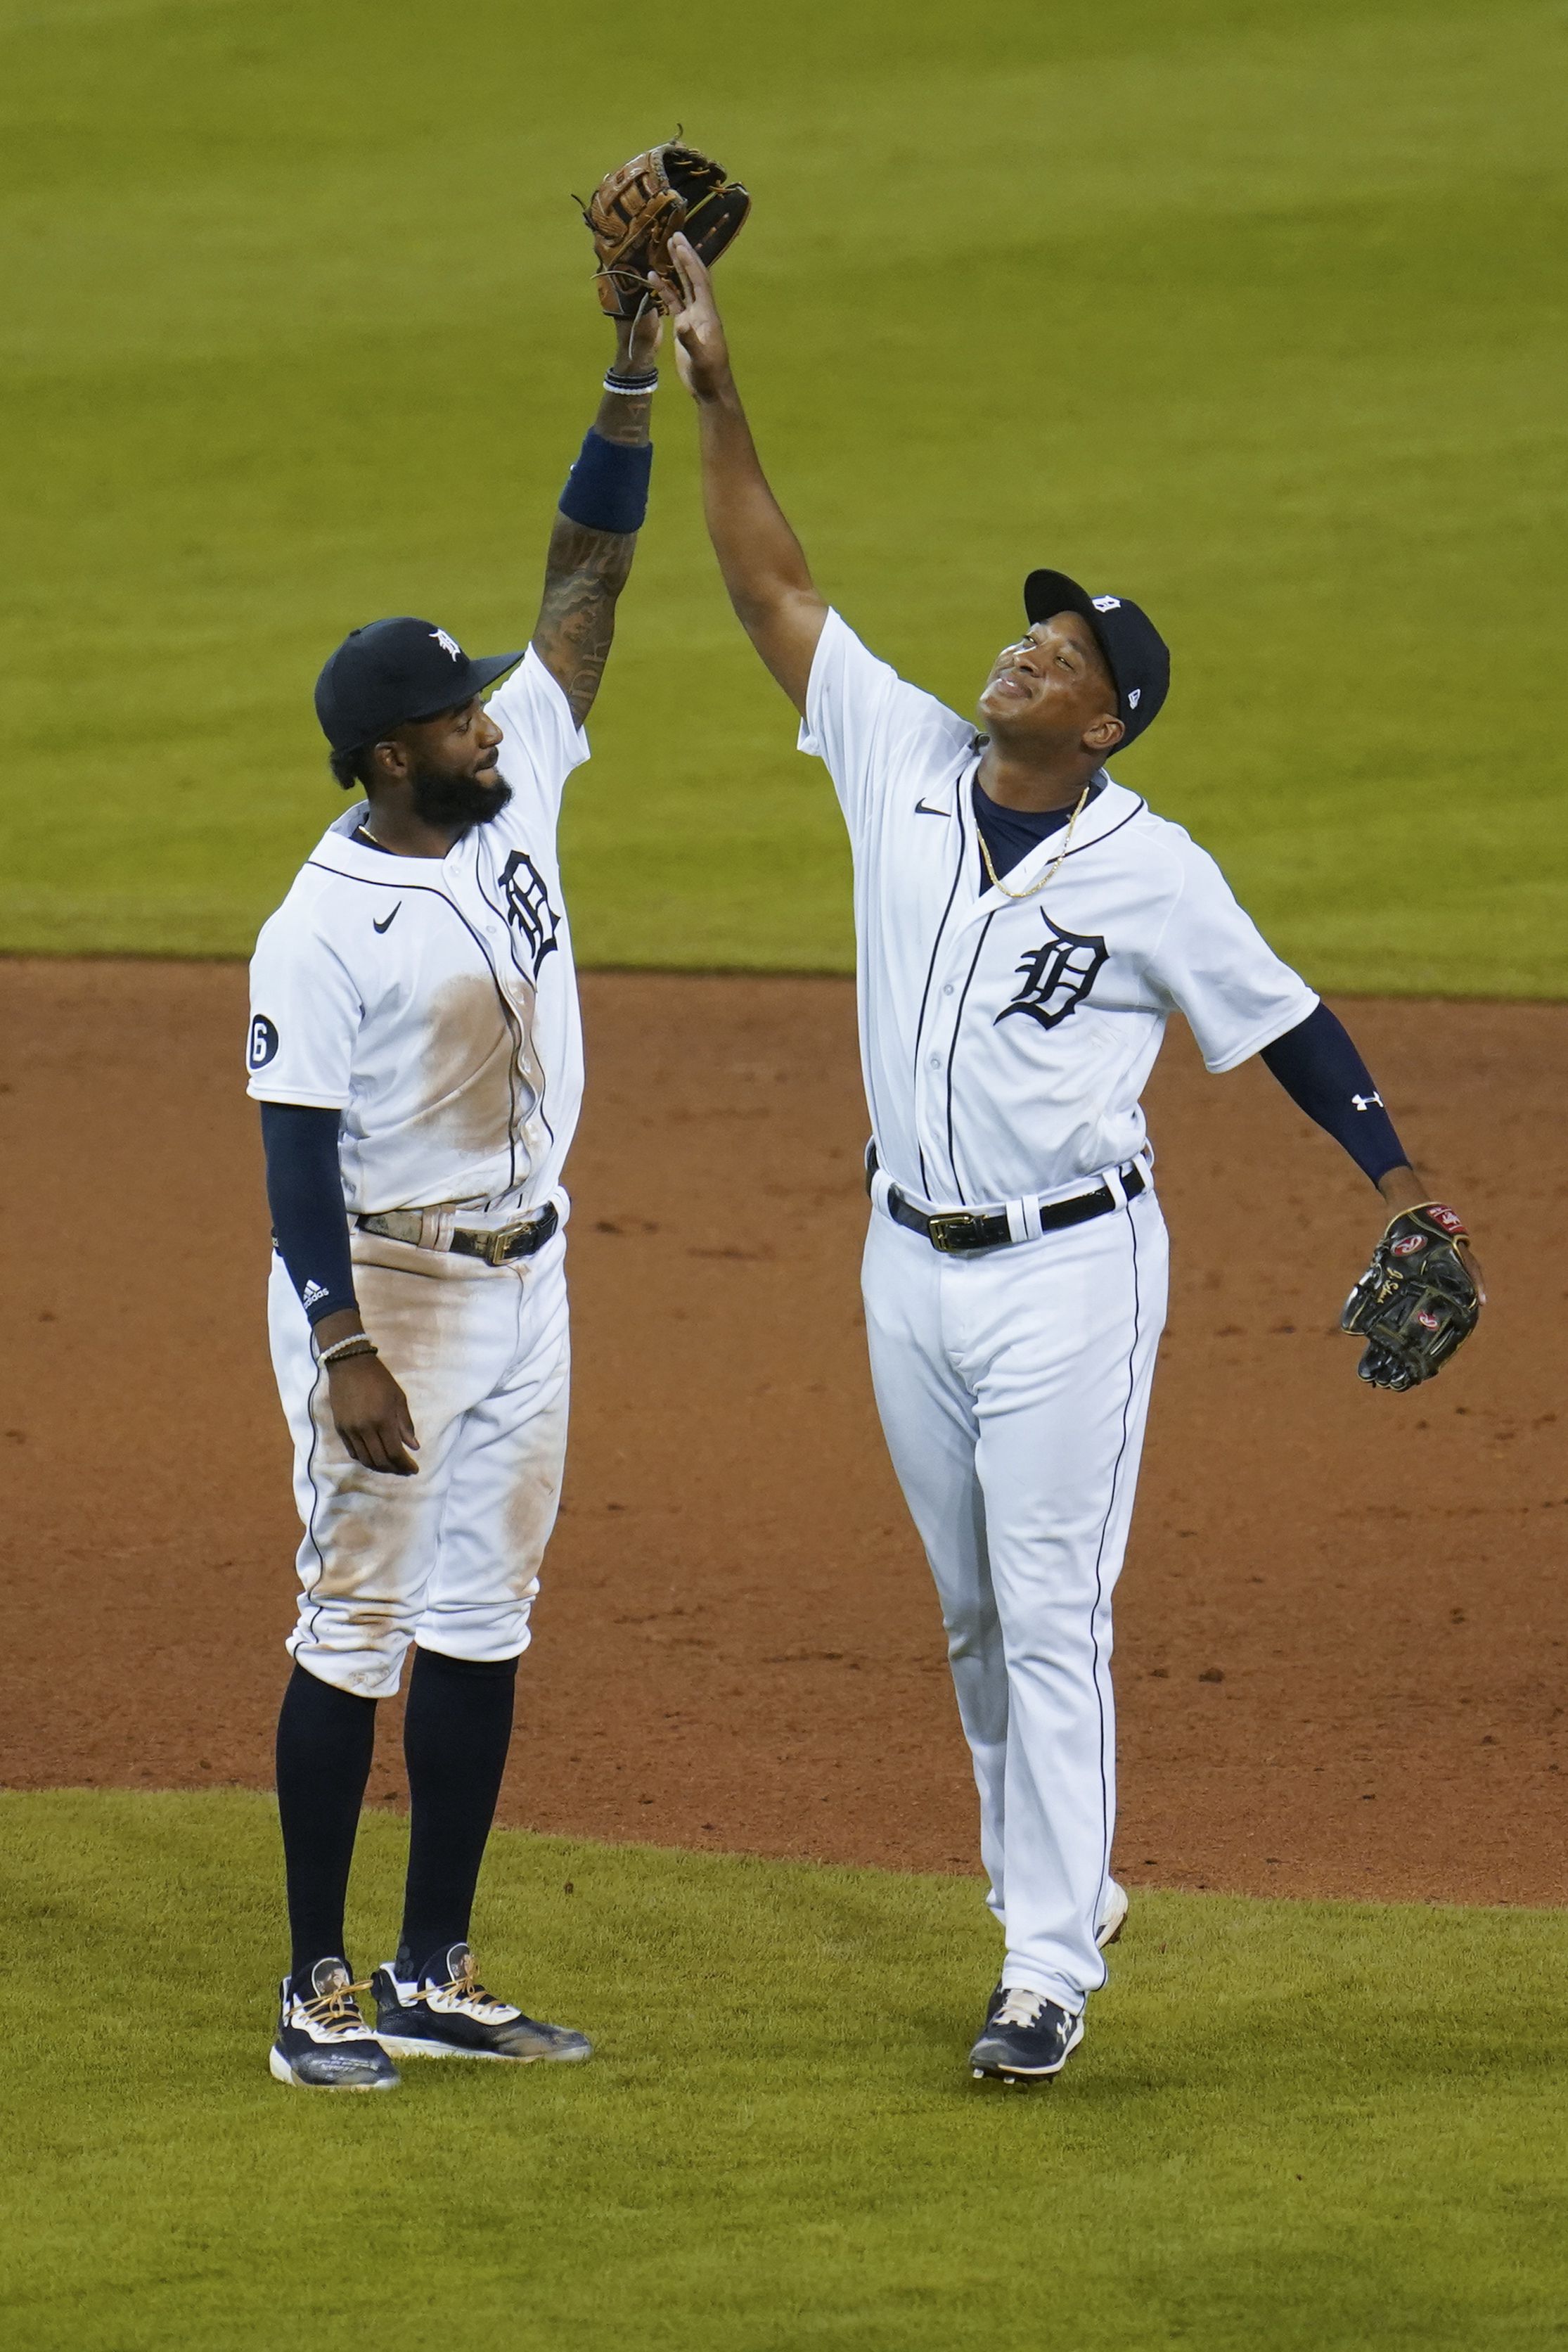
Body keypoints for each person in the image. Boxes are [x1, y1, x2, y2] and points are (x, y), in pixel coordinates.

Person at [661, 233, 1479, 2085]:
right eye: (1033, 624)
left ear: (1104, 720)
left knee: (1047, 1609)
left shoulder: (1152, 867)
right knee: (967, 1618)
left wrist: (1397, 1178)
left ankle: (1042, 1969)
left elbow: (1280, 1023)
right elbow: (769, 581)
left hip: (1068, 1274)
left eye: (1068, 648)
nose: (1027, 643)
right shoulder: (899, 756)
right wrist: (717, 386)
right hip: (901, 1262)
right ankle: (1051, 1892)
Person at [246, 300, 664, 2090]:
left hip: (529, 1279)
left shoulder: (515, 787)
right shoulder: (321, 922)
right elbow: (288, 1146)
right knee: (353, 1622)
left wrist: (630, 370)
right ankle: (314, 1990)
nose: (492, 714)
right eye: (452, 711)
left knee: (486, 1619)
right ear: (386, 752)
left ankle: (435, 1968)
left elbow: (587, 582)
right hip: (387, 1288)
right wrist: (342, 1344)